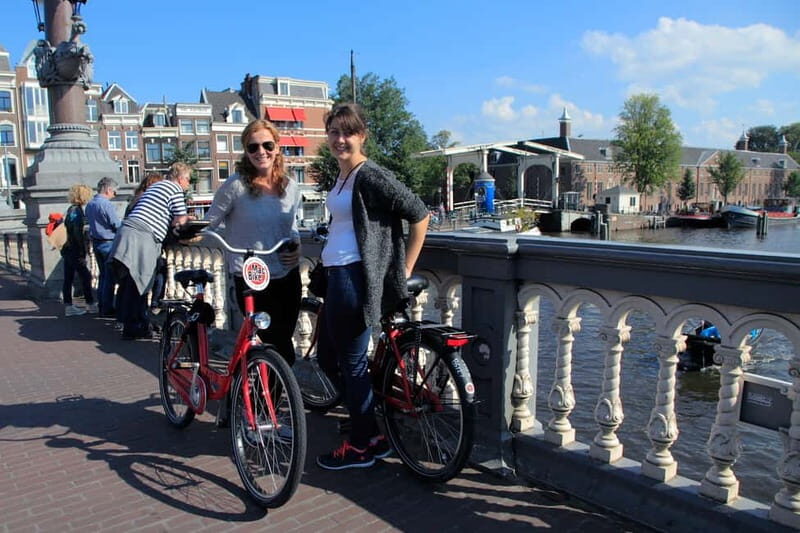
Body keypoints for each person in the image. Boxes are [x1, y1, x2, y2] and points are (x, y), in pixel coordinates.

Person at [315, 103, 429, 470]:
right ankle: (370, 432)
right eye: (334, 131)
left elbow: (420, 213)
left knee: (349, 363)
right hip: (336, 275)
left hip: (353, 278)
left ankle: (364, 443)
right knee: (330, 358)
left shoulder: (370, 175)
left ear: (362, 135)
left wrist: (402, 271)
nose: (340, 139)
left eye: (348, 132)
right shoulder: (342, 176)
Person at [205, 119, 301, 364]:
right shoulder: (235, 186)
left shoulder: (291, 187)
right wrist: (187, 231)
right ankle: (262, 397)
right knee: (274, 345)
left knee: (283, 339)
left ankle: (272, 397)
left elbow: (292, 227)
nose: (261, 152)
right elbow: (210, 222)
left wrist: (297, 246)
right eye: (253, 147)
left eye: (267, 145)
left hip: (287, 273)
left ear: (277, 147)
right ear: (246, 152)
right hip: (252, 276)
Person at [111, 162, 191, 339]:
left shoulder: (158, 186)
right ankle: (134, 327)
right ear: (180, 178)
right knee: (141, 283)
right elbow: (180, 219)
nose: (188, 184)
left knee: (131, 283)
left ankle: (133, 325)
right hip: (142, 236)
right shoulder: (174, 189)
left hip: (127, 233)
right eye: (188, 180)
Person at [126, 173, 167, 313]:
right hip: (145, 246)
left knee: (135, 285)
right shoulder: (147, 200)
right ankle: (155, 305)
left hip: (132, 246)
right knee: (158, 273)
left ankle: (133, 320)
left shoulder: (135, 200)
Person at [85, 177, 121, 317]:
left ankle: (102, 305)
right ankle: (107, 308)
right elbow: (116, 225)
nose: (114, 195)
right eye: (115, 192)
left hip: (96, 242)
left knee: (103, 276)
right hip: (108, 242)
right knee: (110, 278)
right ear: (108, 189)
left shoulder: (90, 204)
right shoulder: (106, 205)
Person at [61, 184, 98, 317]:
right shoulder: (77, 211)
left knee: (68, 278)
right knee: (86, 276)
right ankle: (90, 303)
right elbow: (77, 233)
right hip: (75, 250)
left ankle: (68, 306)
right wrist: (82, 251)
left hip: (67, 249)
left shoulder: (70, 209)